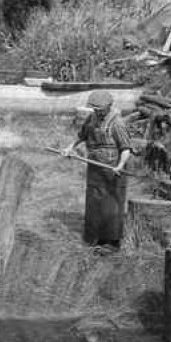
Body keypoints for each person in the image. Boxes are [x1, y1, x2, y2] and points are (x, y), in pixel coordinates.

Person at [62, 90, 133, 249]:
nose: (97, 111)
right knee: (94, 202)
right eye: (95, 108)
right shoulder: (91, 119)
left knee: (111, 204)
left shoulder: (117, 124)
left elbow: (126, 149)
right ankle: (93, 237)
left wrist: (120, 166)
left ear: (108, 107)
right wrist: (70, 148)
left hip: (112, 170)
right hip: (95, 168)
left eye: (100, 109)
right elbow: (81, 136)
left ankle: (112, 240)